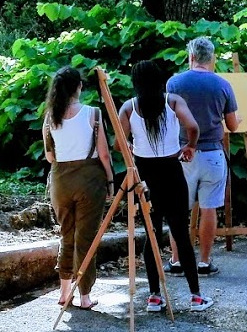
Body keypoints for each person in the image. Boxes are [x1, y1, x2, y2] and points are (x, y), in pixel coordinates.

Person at [118, 60, 213, 312]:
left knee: (151, 232)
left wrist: (128, 147)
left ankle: (154, 297)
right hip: (172, 172)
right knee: (180, 232)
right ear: (160, 80)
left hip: (145, 175)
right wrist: (190, 146)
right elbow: (192, 127)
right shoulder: (173, 101)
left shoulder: (129, 107)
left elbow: (119, 141)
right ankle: (195, 297)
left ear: (135, 82)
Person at [164, 37, 240, 277]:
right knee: (209, 208)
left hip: (181, 153)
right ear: (213, 58)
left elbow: (167, 120)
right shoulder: (222, 84)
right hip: (213, 154)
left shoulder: (174, 83)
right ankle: (205, 262)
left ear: (191, 57)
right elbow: (232, 125)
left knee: (178, 210)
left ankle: (177, 261)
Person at [43, 66, 113, 309]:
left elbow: (50, 157)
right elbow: (104, 154)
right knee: (86, 238)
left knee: (67, 234)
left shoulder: (51, 116)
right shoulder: (92, 114)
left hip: (61, 180)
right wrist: (111, 181)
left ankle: (64, 293)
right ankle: (84, 295)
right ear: (78, 87)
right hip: (89, 180)